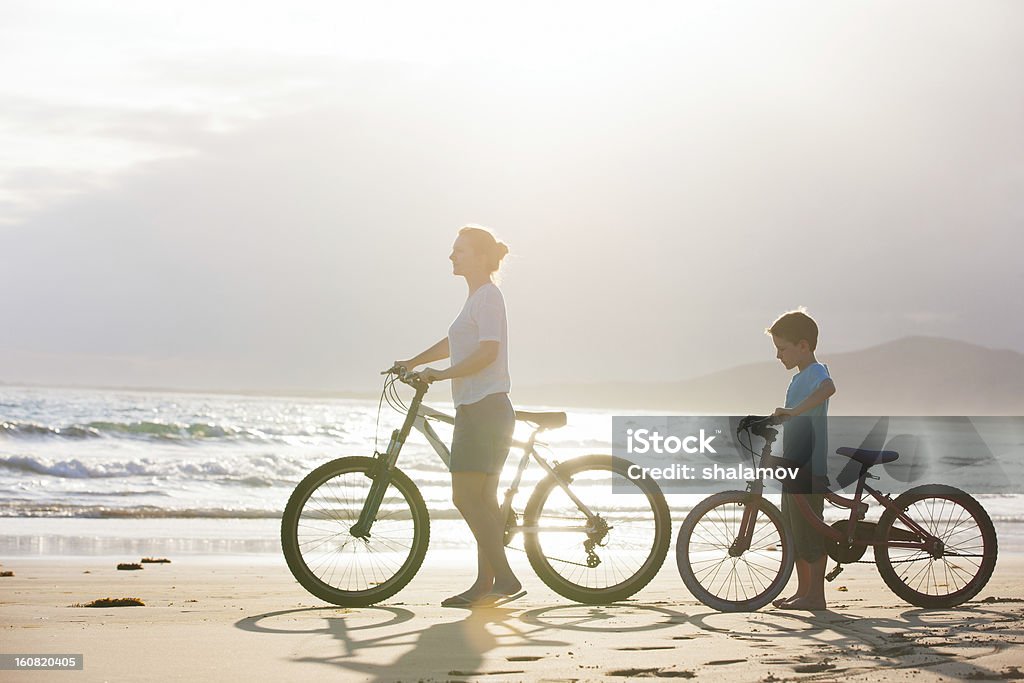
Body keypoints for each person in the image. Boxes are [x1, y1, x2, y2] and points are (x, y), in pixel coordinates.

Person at [393, 226, 524, 608]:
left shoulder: (488, 297)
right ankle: (486, 585)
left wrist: (441, 374)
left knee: (465, 496)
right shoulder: (476, 300)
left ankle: (507, 578)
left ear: (482, 257)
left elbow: (487, 352)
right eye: (453, 251)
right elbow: (456, 342)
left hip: (484, 409)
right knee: (483, 500)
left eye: (460, 251)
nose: (452, 256)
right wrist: (414, 361)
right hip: (481, 408)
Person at [766, 309, 836, 611]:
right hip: (792, 463)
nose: (779, 356)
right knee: (793, 529)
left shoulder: (817, 372)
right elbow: (796, 413)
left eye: (783, 349)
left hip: (808, 464)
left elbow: (828, 388)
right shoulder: (797, 381)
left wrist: (793, 412)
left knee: (811, 530)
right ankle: (802, 591)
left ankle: (816, 596)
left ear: (803, 346)